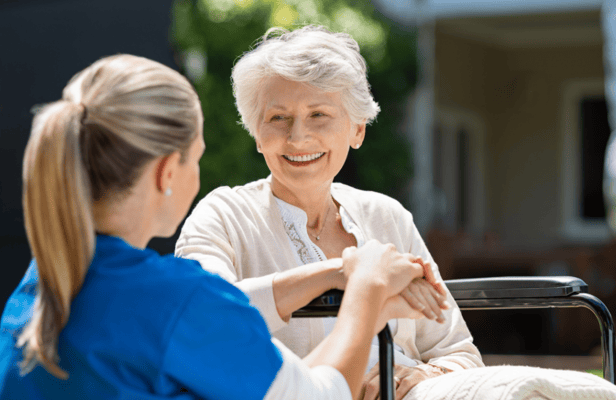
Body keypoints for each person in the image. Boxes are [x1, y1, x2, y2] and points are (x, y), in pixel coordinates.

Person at [0, 54, 442, 399]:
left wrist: (344, 279)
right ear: (167, 172)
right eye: (198, 155)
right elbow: (318, 396)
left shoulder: (38, 287)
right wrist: (366, 290)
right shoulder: (178, 300)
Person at [174, 25, 482, 400]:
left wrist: (417, 377)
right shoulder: (222, 216)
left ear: (357, 130)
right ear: (257, 134)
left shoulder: (387, 216)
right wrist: (343, 273)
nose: (298, 137)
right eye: (278, 118)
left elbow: (458, 352)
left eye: (318, 114)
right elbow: (204, 320)